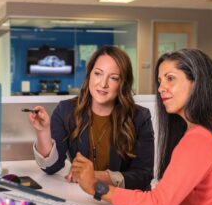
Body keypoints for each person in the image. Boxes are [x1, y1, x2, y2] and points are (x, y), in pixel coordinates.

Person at [70, 48, 212, 205]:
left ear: (197, 83)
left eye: (170, 78)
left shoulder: (200, 139)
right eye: (160, 81)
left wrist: (96, 187)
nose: (161, 88)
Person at [28, 45, 154, 191]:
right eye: (98, 74)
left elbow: (144, 176)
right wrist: (43, 131)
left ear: (122, 83)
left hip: (124, 201)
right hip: (84, 199)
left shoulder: (140, 117)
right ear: (89, 75)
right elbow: (51, 167)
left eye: (113, 78)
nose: (103, 84)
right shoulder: (66, 110)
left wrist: (94, 176)